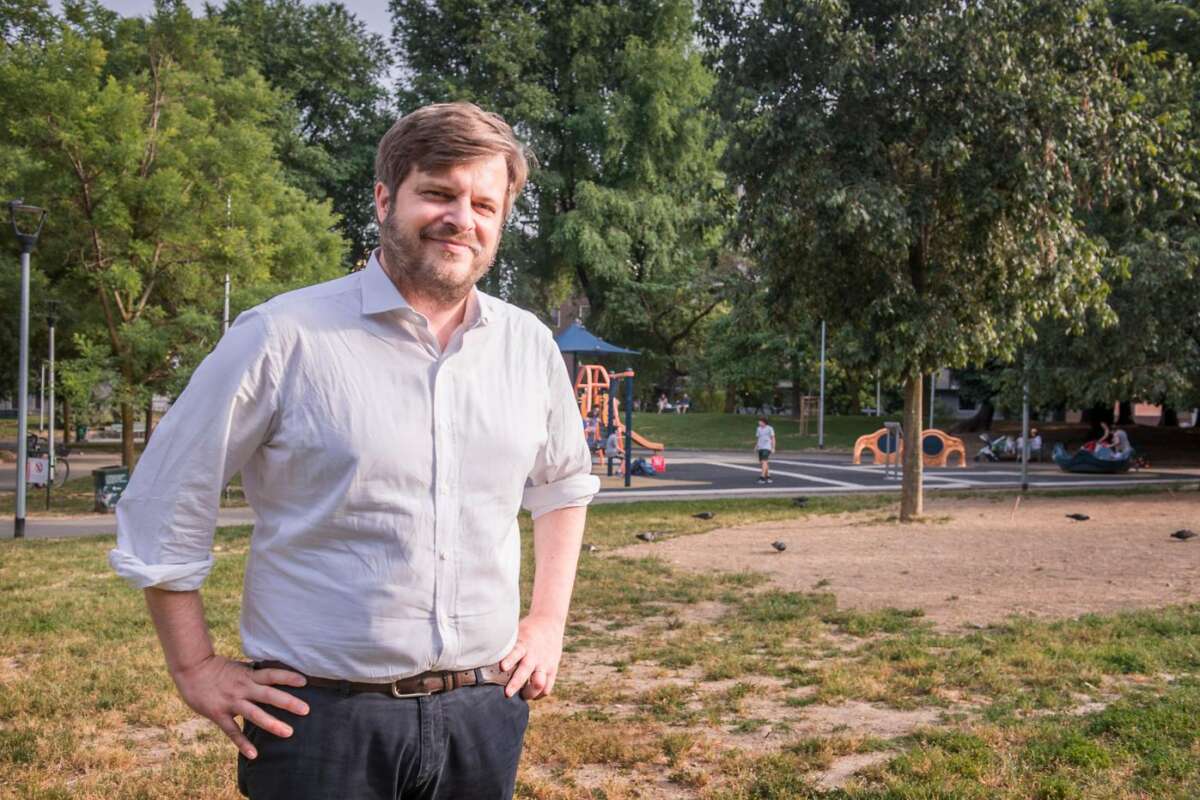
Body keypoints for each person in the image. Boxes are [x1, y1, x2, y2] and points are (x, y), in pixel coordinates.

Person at [108, 102, 600, 800]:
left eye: (484, 204)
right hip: (321, 721)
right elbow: (165, 497)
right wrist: (194, 668)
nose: (462, 218)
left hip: (484, 709)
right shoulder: (282, 336)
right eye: (439, 193)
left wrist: (547, 623)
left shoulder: (527, 345)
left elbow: (563, 484)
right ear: (384, 198)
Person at [754, 416, 776, 484]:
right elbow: (758, 438)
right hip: (760, 447)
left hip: (767, 447)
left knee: (764, 461)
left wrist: (773, 447)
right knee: (763, 462)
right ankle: (768, 476)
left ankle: (762, 477)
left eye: (760, 421)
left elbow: (773, 438)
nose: (759, 422)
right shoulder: (758, 428)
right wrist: (756, 446)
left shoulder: (770, 428)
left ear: (764, 422)